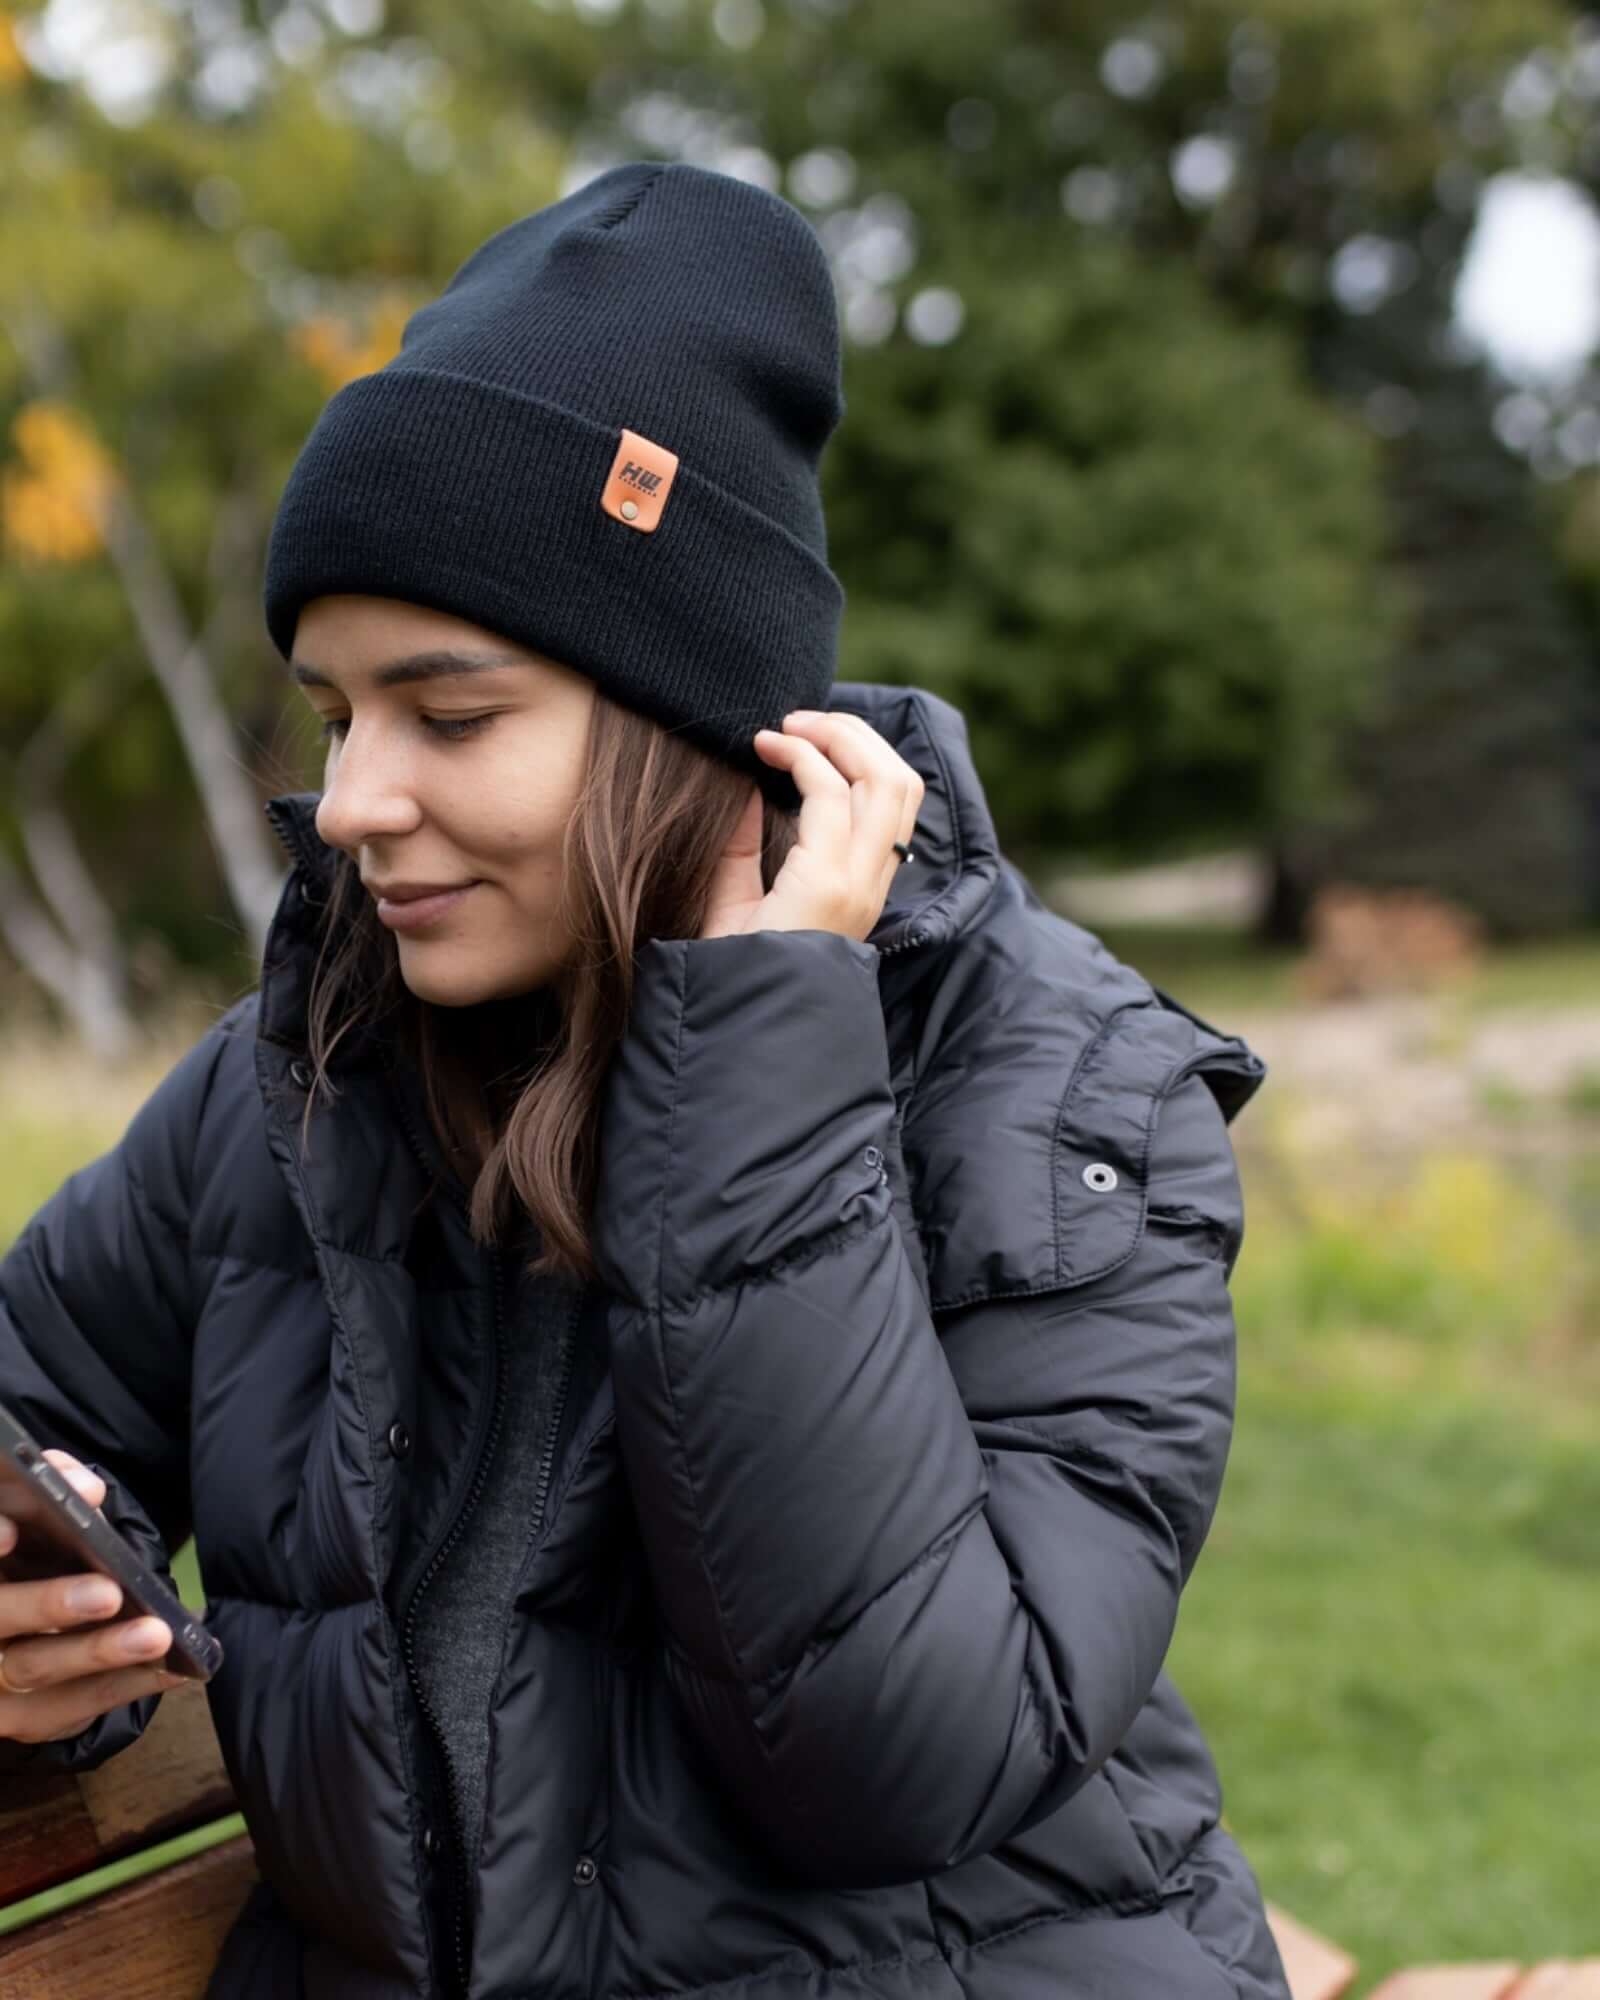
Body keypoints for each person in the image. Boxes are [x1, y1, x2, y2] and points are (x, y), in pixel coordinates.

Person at [0, 162, 1290, 2000]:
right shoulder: (302, 1080)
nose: (354, 801)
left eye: (448, 717)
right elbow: (28, 1395)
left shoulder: (1067, 1100)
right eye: (334, 713)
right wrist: (48, 1623)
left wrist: (761, 1062)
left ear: (697, 718)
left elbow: (902, 1758)